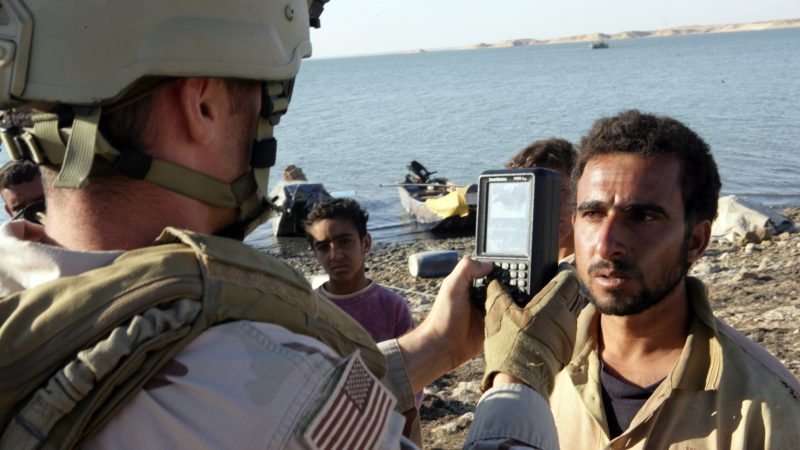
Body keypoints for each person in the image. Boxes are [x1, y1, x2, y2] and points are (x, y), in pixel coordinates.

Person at [0, 2, 582, 449]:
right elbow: (270, 399)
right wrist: (515, 374)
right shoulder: (266, 389)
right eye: (264, 102)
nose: (266, 129)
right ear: (202, 106)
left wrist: (438, 344)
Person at [545, 110, 800, 448]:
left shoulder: (767, 409)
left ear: (695, 241)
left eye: (643, 216)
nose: (606, 244)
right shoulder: (541, 368)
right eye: (593, 214)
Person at [305, 198, 414, 343]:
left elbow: (410, 361)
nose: (335, 256)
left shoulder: (392, 306)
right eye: (323, 247)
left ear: (366, 243)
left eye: (344, 242)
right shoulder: (309, 310)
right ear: (315, 253)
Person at [506, 137, 578, 260]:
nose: (545, 205)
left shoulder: (595, 269)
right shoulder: (507, 263)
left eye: (559, 190)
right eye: (532, 191)